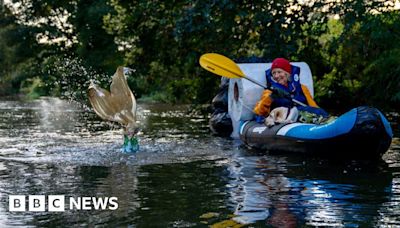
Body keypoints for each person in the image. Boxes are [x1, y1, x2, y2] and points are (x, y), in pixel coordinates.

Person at [253, 57, 329, 123]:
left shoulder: (302, 88)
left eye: (279, 72)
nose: (276, 76)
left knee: (318, 112)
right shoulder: (270, 91)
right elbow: (258, 111)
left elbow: (313, 106)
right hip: (283, 119)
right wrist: (271, 97)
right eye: (274, 73)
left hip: (303, 117)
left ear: (287, 73)